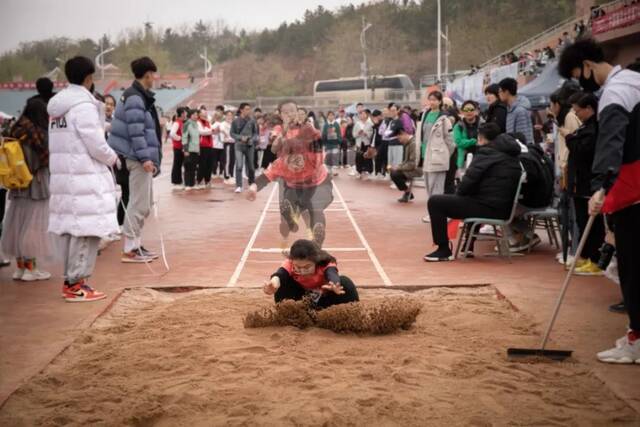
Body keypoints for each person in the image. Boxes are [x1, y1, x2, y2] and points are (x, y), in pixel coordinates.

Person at [559, 38, 640, 364]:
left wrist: (600, 186)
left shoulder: (616, 93)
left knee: (633, 268)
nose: (581, 83)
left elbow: (611, 141)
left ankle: (636, 340)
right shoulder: (636, 79)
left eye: (579, 74)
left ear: (588, 66)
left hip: (633, 192)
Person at [47, 56, 119, 301]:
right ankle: (75, 283)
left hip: (67, 178)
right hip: (83, 177)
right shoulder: (82, 106)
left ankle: (74, 280)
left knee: (74, 229)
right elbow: (95, 143)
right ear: (89, 78)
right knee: (86, 230)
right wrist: (112, 157)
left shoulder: (59, 108)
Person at [425, 123, 522, 262]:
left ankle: (443, 249)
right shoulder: (511, 154)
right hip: (503, 208)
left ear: (481, 138)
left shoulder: (486, 154)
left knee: (435, 202)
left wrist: (460, 193)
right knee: (470, 198)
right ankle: (468, 246)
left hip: (489, 208)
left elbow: (465, 186)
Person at [247, 113, 332, 247]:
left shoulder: (313, 157)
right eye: (291, 160)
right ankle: (290, 219)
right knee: (287, 206)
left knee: (316, 208)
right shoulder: (281, 164)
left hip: (316, 183)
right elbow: (266, 177)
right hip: (294, 186)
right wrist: (253, 187)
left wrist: (311, 131)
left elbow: (317, 143)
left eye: (298, 159)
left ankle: (317, 237)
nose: (295, 163)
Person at [107, 56, 162, 263]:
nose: (154, 78)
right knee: (139, 202)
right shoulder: (135, 98)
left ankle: (136, 244)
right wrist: (145, 157)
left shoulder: (138, 96)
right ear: (147, 75)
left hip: (138, 156)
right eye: (153, 75)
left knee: (144, 202)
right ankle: (129, 249)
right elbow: (136, 131)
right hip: (137, 157)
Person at [1, 98, 53, 281]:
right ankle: (32, 269)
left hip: (17, 185)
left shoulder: (15, 130)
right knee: (33, 228)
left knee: (16, 225)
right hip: (36, 185)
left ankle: (20, 268)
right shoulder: (38, 134)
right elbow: (44, 160)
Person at [566, 92, 605, 276]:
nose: (577, 115)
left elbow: (582, 149)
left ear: (589, 108)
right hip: (579, 181)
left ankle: (595, 260)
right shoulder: (586, 128)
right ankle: (587, 256)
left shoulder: (595, 129)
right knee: (583, 221)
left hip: (589, 181)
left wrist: (569, 137)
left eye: (578, 111)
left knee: (592, 223)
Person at [263, 239, 359, 309]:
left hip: (324, 300)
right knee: (283, 283)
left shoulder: (326, 263)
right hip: (301, 300)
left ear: (316, 262)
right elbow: (281, 274)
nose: (302, 271)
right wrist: (274, 283)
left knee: (345, 282)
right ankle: (289, 316)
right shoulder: (290, 263)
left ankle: (353, 313)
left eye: (307, 267)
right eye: (298, 267)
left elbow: (332, 273)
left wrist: (334, 284)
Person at [416, 91, 454, 219]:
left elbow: (450, 140)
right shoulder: (425, 114)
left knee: (437, 188)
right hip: (425, 154)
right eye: (430, 99)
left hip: (437, 157)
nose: (432, 102)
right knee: (429, 186)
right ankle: (434, 212)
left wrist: (444, 155)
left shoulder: (444, 118)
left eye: (434, 100)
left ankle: (437, 214)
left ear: (439, 101)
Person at [231, 102, 258, 193]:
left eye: (249, 109)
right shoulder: (235, 121)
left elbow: (256, 133)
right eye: (246, 109)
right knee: (239, 165)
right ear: (241, 110)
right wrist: (240, 137)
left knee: (251, 166)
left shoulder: (252, 121)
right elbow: (232, 133)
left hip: (250, 146)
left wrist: (252, 139)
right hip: (239, 146)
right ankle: (239, 185)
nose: (248, 111)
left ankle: (252, 183)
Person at [499, 77, 534, 145]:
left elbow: (524, 138)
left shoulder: (520, 111)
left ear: (506, 92)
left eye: (500, 91)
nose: (499, 94)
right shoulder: (510, 110)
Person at [390, 128, 422, 203]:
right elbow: (406, 161)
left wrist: (398, 168)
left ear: (404, 134)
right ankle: (407, 192)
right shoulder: (408, 143)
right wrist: (398, 167)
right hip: (411, 167)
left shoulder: (413, 144)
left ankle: (407, 192)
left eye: (399, 138)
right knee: (394, 172)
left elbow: (413, 164)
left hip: (417, 169)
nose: (399, 140)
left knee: (395, 174)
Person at [454, 100, 482, 172]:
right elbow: (459, 142)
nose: (469, 112)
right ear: (462, 112)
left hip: (480, 160)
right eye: (466, 110)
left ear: (476, 111)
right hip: (463, 161)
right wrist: (474, 141)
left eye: (471, 109)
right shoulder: (458, 126)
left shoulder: (483, 124)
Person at [182, 109, 200, 191]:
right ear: (191, 115)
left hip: (195, 149)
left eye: (197, 115)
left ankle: (192, 183)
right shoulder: (187, 124)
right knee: (188, 167)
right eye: (195, 115)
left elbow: (197, 138)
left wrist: (198, 149)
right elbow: (184, 137)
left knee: (193, 167)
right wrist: (186, 149)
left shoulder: (196, 124)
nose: (196, 116)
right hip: (189, 149)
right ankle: (187, 184)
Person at [196, 107, 214, 189]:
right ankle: (199, 180)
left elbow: (209, 131)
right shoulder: (198, 122)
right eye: (203, 113)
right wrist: (211, 131)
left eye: (205, 113)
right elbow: (201, 132)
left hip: (210, 145)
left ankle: (208, 180)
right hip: (202, 145)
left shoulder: (208, 122)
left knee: (209, 164)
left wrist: (210, 131)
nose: (204, 114)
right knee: (202, 164)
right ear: (199, 114)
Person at [352, 109, 374, 178]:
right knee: (358, 157)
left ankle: (369, 171)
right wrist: (358, 133)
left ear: (367, 115)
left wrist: (366, 133)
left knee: (368, 157)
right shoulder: (357, 124)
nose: (362, 115)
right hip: (359, 143)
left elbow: (371, 133)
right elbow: (353, 134)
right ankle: (359, 171)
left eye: (364, 114)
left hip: (367, 142)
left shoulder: (370, 124)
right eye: (361, 114)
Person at [169, 107, 187, 190]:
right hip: (177, 147)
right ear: (182, 114)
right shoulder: (177, 123)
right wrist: (180, 138)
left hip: (181, 146)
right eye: (185, 113)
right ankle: (176, 182)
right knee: (177, 164)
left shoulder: (182, 122)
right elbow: (172, 133)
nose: (186, 114)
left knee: (180, 164)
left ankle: (179, 181)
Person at [321, 111, 342, 176]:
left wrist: (337, 139)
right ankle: (329, 170)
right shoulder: (325, 125)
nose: (331, 117)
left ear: (334, 116)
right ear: (327, 116)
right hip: (328, 144)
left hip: (335, 143)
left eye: (332, 115)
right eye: (329, 115)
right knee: (328, 157)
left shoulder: (336, 124)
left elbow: (339, 134)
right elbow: (323, 134)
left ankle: (333, 170)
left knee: (334, 156)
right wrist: (326, 139)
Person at [221, 110, 235, 184]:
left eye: (231, 115)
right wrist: (227, 135)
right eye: (228, 115)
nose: (230, 116)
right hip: (227, 144)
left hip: (234, 144)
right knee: (227, 160)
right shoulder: (223, 124)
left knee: (233, 160)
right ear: (225, 116)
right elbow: (222, 131)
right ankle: (226, 177)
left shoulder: (234, 124)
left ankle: (231, 175)